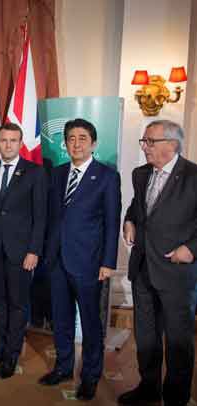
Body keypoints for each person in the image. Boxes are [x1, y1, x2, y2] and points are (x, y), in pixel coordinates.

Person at [38, 118, 121, 400]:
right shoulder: (58, 174)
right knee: (60, 319)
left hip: (89, 262)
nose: (76, 144)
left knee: (90, 323)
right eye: (71, 138)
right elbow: (52, 218)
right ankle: (63, 366)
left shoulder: (107, 176)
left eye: (82, 138)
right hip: (57, 260)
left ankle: (90, 376)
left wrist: (108, 262)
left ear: (94, 143)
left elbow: (112, 223)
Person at [120, 120, 197, 406]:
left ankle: (176, 397)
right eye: (144, 141)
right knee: (147, 337)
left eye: (149, 142)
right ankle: (148, 387)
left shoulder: (193, 176)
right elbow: (137, 208)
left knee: (178, 342)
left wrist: (191, 249)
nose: (144, 147)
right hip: (143, 270)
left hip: (177, 274)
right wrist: (129, 221)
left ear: (172, 144)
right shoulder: (140, 174)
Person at [0, 122, 47, 378]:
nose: (8, 145)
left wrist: (34, 251)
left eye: (13, 141)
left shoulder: (35, 173)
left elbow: (40, 217)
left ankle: (12, 355)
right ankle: (1, 349)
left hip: (21, 252)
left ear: (20, 143)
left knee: (17, 305)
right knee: (0, 304)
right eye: (3, 140)